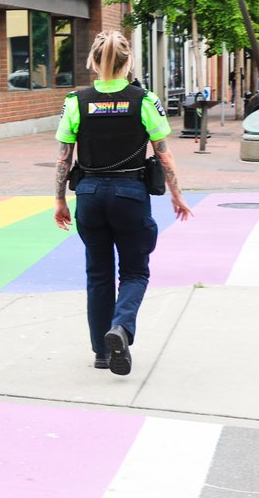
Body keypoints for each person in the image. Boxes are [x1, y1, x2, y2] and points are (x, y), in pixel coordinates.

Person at [53, 30, 193, 375]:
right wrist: (177, 195)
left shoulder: (76, 101)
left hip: (88, 196)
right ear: (128, 61)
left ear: (94, 62)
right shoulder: (144, 100)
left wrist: (59, 200)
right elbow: (164, 155)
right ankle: (121, 328)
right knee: (133, 271)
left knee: (97, 274)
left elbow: (62, 160)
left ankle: (102, 352)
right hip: (129, 195)